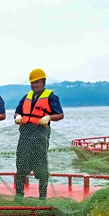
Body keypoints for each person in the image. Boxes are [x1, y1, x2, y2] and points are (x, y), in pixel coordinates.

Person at [13, 68, 64, 199]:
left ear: (43, 82)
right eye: (32, 83)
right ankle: (19, 196)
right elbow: (17, 112)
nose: (35, 85)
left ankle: (42, 196)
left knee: (41, 166)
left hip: (40, 136)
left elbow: (60, 115)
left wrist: (49, 118)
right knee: (21, 165)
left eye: (37, 82)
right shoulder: (26, 98)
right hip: (24, 137)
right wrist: (18, 116)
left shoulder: (51, 97)